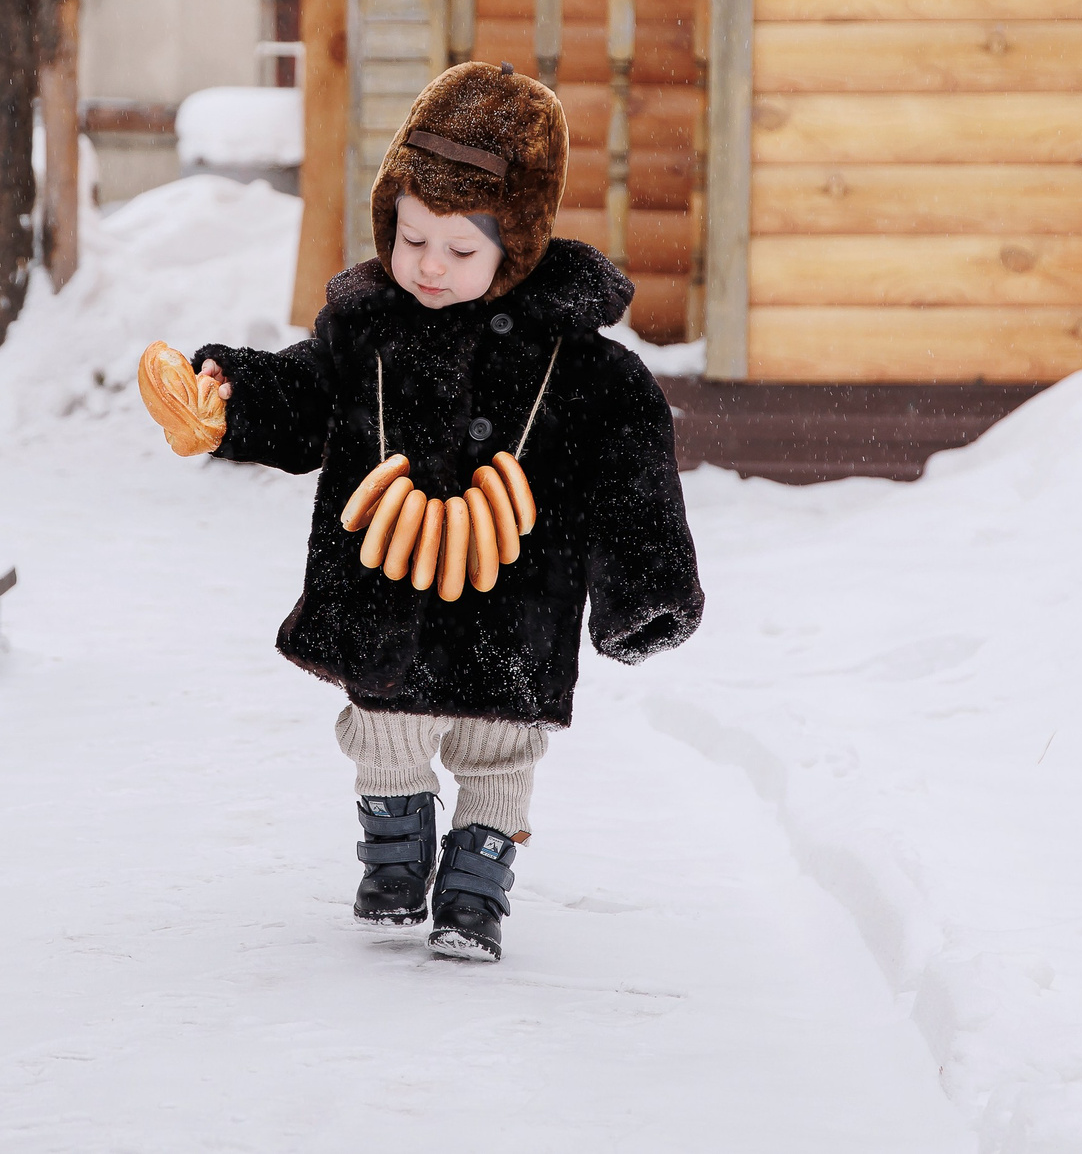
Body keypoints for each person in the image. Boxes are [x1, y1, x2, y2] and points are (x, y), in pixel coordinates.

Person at [188, 60, 702, 962]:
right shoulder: (367, 329)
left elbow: (634, 468)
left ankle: (476, 882)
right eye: (411, 236)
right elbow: (307, 395)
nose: (428, 264)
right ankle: (393, 853)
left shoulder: (584, 367)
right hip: (380, 579)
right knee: (384, 721)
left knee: (499, 740)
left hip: (519, 591)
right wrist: (235, 396)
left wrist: (646, 586)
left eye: (461, 249)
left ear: (520, 245)